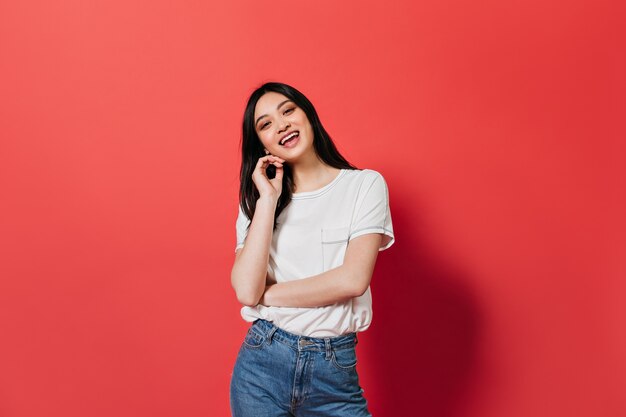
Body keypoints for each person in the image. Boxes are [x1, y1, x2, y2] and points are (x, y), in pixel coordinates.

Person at [229, 82, 395, 417]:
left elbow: (352, 280)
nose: (282, 124)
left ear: (308, 115)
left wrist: (267, 295)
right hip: (261, 366)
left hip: (333, 372)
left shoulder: (364, 186)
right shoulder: (259, 202)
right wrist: (268, 199)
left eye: (288, 111)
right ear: (261, 143)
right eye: (266, 124)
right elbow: (247, 289)